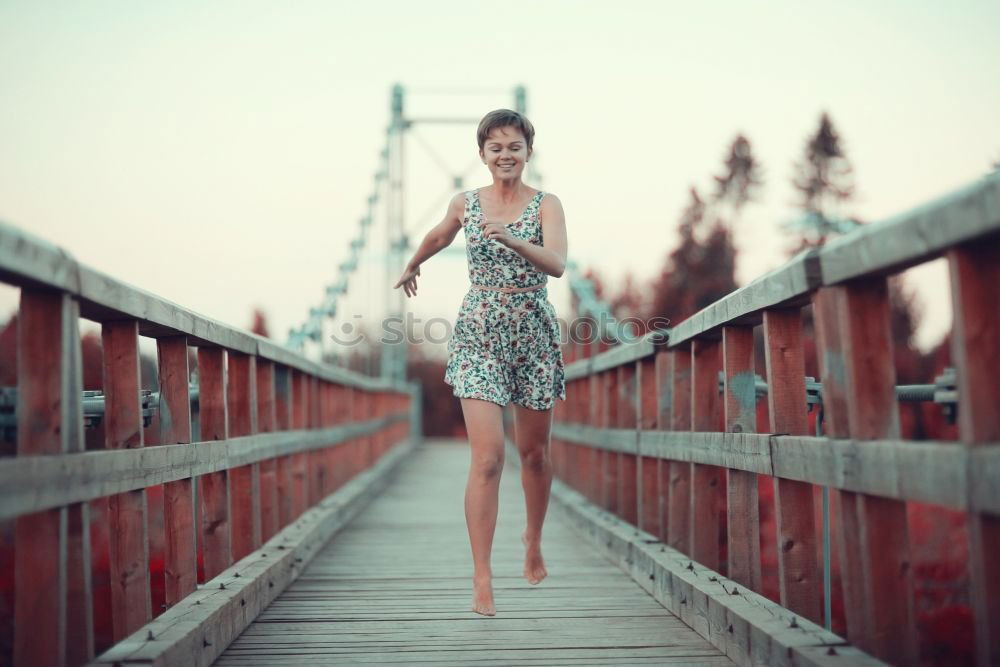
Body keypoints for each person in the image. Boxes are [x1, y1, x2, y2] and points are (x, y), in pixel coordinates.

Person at [393, 108, 567, 616]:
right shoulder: (466, 203)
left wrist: (515, 239)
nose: (505, 155)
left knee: (534, 455)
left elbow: (557, 263)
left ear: (528, 151)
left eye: (514, 146)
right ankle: (482, 578)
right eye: (496, 147)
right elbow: (440, 234)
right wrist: (413, 263)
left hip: (533, 333)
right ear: (483, 155)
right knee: (488, 456)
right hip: (479, 335)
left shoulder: (547, 204)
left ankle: (532, 539)